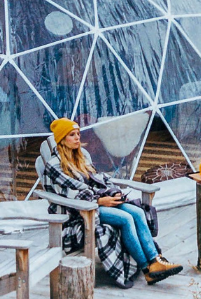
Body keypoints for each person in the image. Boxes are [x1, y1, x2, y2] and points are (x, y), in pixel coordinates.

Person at [42, 118, 182, 288]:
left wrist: (113, 193)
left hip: (97, 202)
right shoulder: (54, 165)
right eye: (72, 135)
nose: (77, 138)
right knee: (125, 219)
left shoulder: (80, 157)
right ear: (62, 139)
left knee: (137, 212)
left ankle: (156, 260)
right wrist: (100, 200)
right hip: (78, 213)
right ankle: (147, 269)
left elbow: (98, 178)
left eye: (78, 134)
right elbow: (73, 192)